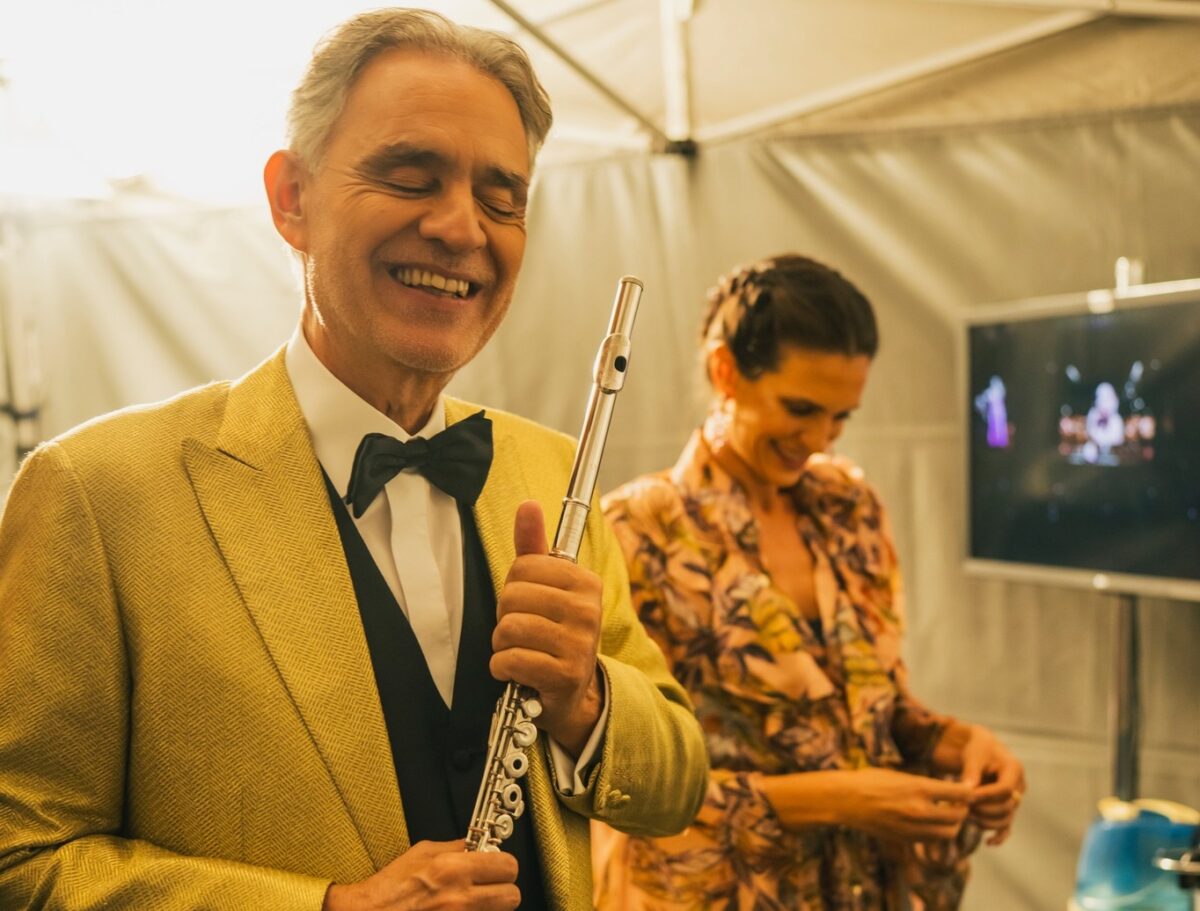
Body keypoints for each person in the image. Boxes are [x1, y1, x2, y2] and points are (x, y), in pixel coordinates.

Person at [0, 10, 708, 911]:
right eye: (410, 178)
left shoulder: (551, 470)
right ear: (291, 199)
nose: (461, 228)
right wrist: (328, 906)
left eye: (503, 200)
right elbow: (22, 858)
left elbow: (678, 782)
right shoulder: (98, 493)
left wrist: (587, 700)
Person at [593, 255, 1025, 910]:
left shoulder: (850, 506)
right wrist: (840, 799)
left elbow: (874, 707)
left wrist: (957, 744)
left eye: (841, 416)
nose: (820, 439)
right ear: (725, 371)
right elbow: (622, 777)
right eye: (800, 408)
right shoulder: (636, 529)